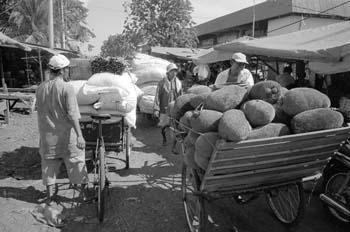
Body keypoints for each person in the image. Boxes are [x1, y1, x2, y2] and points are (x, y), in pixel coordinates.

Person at [36, 54, 88, 205]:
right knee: (76, 160)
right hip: (66, 134)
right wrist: (79, 135)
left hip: (48, 135)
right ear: (63, 71)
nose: (68, 72)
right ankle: (83, 194)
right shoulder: (67, 88)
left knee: (48, 163)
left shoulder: (40, 88)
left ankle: (49, 196)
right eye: (67, 70)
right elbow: (72, 114)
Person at [153, 63, 182, 152]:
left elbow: (181, 96)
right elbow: (157, 96)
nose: (174, 73)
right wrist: (156, 109)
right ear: (168, 72)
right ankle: (164, 139)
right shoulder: (162, 83)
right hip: (164, 108)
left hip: (174, 108)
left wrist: (181, 107)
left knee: (175, 127)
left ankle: (174, 145)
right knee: (164, 126)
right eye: (172, 71)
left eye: (175, 72)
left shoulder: (178, 83)